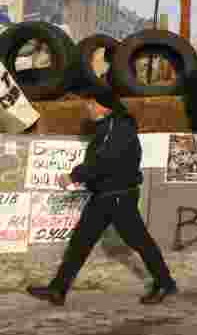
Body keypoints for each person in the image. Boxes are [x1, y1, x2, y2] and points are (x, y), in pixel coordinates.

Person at [27, 89, 177, 306]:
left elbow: (104, 159)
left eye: (91, 104)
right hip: (106, 194)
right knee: (81, 241)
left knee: (138, 240)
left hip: (118, 196)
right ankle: (58, 290)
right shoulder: (109, 126)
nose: (87, 107)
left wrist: (74, 176)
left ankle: (165, 283)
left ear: (103, 107)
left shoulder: (116, 127)